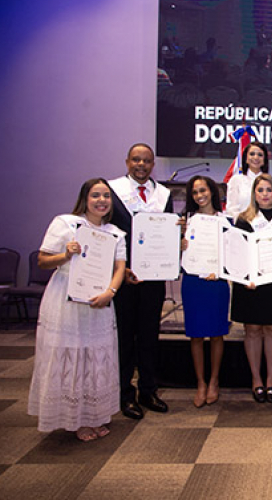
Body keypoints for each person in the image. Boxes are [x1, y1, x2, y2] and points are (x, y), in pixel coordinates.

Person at [28, 178, 126, 441]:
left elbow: (119, 269)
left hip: (99, 302)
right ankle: (74, 420)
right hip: (66, 302)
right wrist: (66, 255)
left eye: (106, 196)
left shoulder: (115, 233)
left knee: (96, 357)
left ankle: (94, 416)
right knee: (71, 355)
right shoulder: (65, 223)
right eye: (96, 195)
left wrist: (110, 292)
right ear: (85, 198)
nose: (102, 201)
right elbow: (43, 261)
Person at [109, 144, 173, 420]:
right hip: (123, 277)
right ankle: (125, 394)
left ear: (152, 164)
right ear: (127, 162)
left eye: (146, 161)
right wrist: (121, 269)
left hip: (153, 278)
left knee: (149, 335)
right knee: (124, 337)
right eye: (136, 160)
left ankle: (148, 390)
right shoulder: (112, 192)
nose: (141, 165)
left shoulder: (163, 194)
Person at [231, 174, 272, 404]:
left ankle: (271, 380)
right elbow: (237, 253)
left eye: (269, 190)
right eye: (261, 190)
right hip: (251, 285)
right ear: (254, 194)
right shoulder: (243, 219)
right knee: (253, 330)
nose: (265, 194)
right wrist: (243, 276)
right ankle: (256, 379)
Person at [180, 176, 229, 408]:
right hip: (193, 281)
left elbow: (231, 253)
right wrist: (179, 243)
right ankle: (200, 382)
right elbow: (172, 255)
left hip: (216, 282)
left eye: (204, 190)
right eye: (195, 192)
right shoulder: (185, 222)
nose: (200, 195)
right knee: (196, 335)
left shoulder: (225, 221)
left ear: (212, 192)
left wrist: (220, 270)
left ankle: (214, 381)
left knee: (217, 333)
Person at [226, 142, 272, 221]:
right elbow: (231, 210)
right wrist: (243, 223)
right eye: (252, 154)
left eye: (260, 155)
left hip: (270, 228)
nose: (256, 157)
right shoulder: (236, 180)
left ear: (265, 159)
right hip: (242, 227)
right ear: (246, 158)